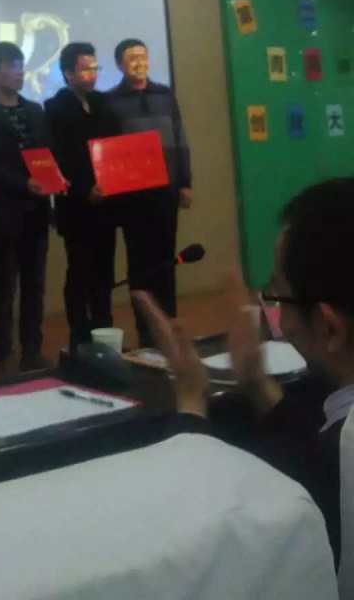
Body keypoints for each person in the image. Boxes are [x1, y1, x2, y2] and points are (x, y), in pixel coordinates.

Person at [135, 177, 354, 574]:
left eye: (277, 296)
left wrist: (189, 401)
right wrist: (257, 384)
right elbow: (315, 452)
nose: (280, 320)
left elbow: (195, 523)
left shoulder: (319, 481)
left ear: (330, 328)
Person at [0, 41, 52, 375]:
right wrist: (23, 183)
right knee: (4, 286)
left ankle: (33, 350)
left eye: (21, 65)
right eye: (12, 66)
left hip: (37, 210)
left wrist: (56, 178)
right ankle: (3, 354)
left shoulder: (35, 110)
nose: (19, 72)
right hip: (4, 211)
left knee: (35, 285)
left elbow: (46, 153)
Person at [108, 38, 192, 346]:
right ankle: (146, 331)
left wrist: (185, 182)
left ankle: (168, 327)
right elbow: (109, 149)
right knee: (139, 265)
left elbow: (180, 138)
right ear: (119, 64)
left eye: (143, 56)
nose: (139, 63)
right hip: (132, 196)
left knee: (167, 261)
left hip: (166, 191)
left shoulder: (165, 95)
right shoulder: (110, 101)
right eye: (132, 58)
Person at [45, 42, 120, 353]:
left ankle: (104, 331)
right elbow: (59, 157)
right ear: (68, 73)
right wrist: (84, 188)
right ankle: (79, 336)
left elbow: (115, 146)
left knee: (105, 270)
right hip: (76, 203)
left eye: (95, 67)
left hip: (107, 201)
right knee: (79, 271)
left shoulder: (104, 102)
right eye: (85, 69)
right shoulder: (55, 107)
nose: (92, 74)